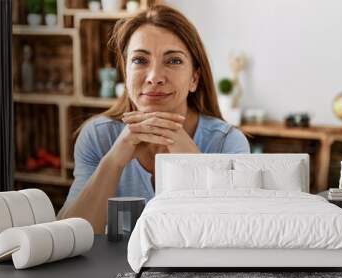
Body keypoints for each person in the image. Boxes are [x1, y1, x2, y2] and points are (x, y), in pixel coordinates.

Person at [57, 5, 250, 233]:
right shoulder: (98, 136)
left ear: (194, 79)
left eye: (173, 61)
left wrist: (194, 163)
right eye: (140, 60)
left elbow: (235, 234)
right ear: (126, 72)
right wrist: (114, 160)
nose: (155, 77)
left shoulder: (227, 142)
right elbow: (70, 234)